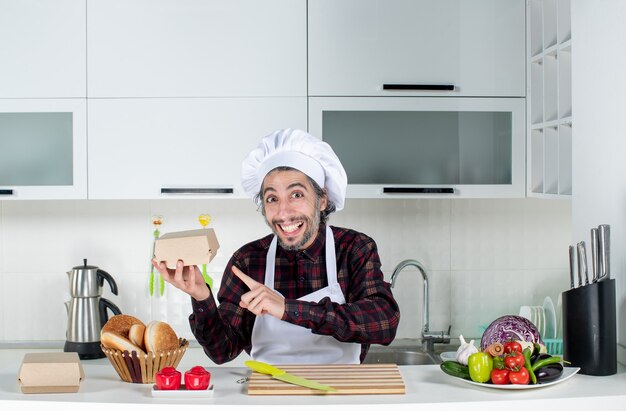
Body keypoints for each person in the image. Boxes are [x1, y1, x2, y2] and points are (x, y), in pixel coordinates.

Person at [152, 128, 400, 364]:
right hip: (267, 396)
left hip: (339, 395)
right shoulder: (248, 261)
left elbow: (384, 322)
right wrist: (201, 297)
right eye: (272, 199)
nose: (283, 213)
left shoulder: (354, 249)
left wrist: (286, 309)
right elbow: (222, 351)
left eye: (296, 195)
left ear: (322, 199)